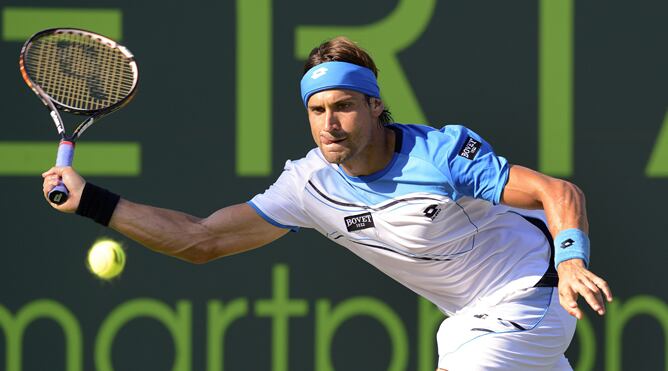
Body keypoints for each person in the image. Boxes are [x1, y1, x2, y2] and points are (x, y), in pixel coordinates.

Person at [42, 36, 612, 370]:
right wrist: (92, 201)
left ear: (374, 106)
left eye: (343, 107)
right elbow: (203, 239)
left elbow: (557, 193)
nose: (330, 124)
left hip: (533, 292)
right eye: (317, 111)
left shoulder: (439, 154)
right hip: (467, 323)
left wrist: (571, 261)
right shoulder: (308, 186)